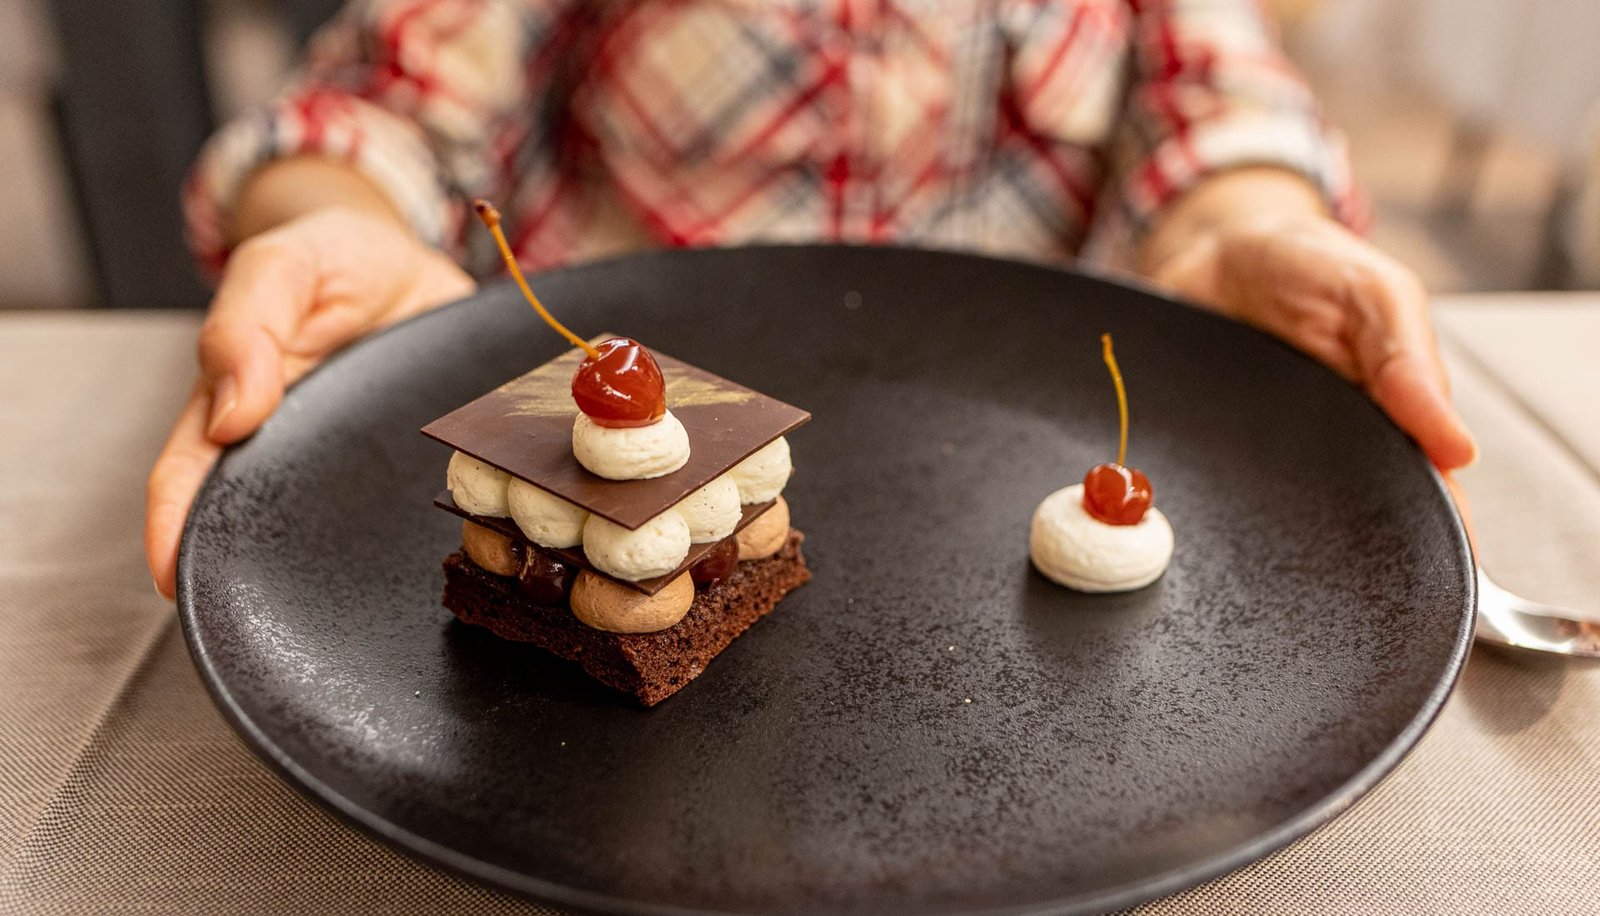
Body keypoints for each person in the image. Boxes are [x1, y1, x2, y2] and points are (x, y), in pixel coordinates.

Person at [146, 0, 1477, 598]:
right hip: (612, 394)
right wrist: (332, 219)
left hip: (999, 450)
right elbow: (381, 100)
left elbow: (1213, 89)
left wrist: (1249, 227)